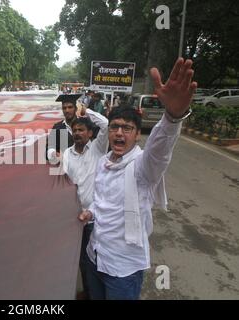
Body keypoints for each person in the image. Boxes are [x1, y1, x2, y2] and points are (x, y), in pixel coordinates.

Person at [81, 58, 197, 300]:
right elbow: (101, 200)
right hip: (95, 256)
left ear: (136, 134)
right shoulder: (104, 161)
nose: (119, 133)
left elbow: (160, 148)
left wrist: (172, 117)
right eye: (114, 127)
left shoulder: (144, 166)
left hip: (122, 270)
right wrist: (90, 212)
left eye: (127, 128)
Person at [62, 109, 109, 300]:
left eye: (81, 130)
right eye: (75, 130)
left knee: (98, 259)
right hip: (75, 219)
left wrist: (86, 111)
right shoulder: (67, 153)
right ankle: (88, 292)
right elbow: (63, 182)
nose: (78, 133)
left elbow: (105, 124)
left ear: (90, 133)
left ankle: (99, 293)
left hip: (96, 218)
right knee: (81, 259)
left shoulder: (98, 148)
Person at [46, 93, 81, 164]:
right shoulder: (58, 127)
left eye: (70, 107)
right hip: (65, 169)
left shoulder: (85, 125)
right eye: (64, 108)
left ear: (76, 108)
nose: (67, 110)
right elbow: (49, 147)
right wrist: (53, 153)